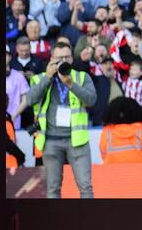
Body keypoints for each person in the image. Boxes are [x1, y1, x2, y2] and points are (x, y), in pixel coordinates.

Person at [25, 42, 97, 198]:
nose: (63, 60)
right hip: (51, 141)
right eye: (59, 57)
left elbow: (91, 100)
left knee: (86, 187)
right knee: (52, 188)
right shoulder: (39, 78)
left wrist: (71, 84)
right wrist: (48, 77)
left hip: (77, 140)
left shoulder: (82, 77)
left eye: (66, 57)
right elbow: (30, 100)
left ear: (72, 58)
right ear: (52, 59)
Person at [98, 96, 142, 164]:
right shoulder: (140, 129)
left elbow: (103, 153)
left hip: (111, 171)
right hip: (139, 170)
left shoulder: (107, 131)